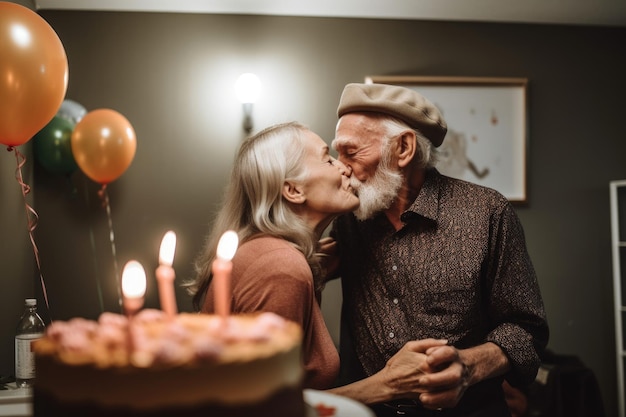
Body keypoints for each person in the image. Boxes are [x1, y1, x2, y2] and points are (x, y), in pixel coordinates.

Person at [327, 83, 549, 417]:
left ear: (403, 148)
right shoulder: (349, 219)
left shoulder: (486, 211)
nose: (341, 166)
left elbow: (526, 331)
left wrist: (468, 366)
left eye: (351, 152)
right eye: (336, 153)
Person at [185, 122, 446, 398]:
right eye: (327, 159)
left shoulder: (269, 254)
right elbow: (267, 408)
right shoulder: (281, 268)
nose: (345, 168)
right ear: (294, 190)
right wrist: (386, 384)